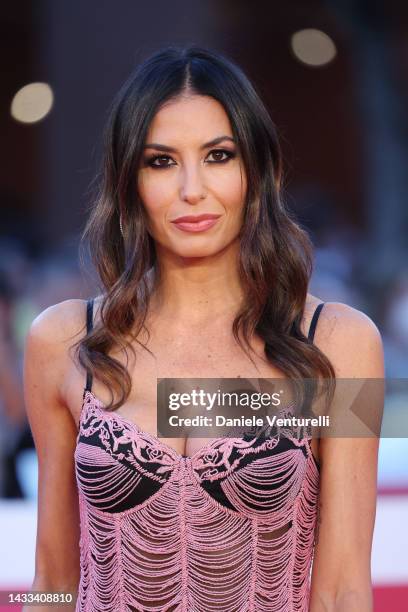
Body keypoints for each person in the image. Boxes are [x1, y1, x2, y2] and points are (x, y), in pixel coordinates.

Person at [24, 45, 384, 611]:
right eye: (160, 161)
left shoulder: (339, 345)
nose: (193, 189)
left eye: (218, 155)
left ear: (258, 169)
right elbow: (50, 579)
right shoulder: (63, 341)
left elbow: (342, 591)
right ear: (129, 180)